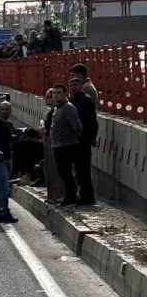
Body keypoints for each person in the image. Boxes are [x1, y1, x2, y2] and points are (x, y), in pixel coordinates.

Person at [48, 84, 84, 206]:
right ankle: (68, 197)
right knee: (63, 173)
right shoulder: (57, 108)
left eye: (58, 93)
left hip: (66, 145)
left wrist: (70, 137)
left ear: (64, 94)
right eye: (54, 93)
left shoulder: (68, 108)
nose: (56, 95)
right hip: (57, 145)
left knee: (67, 173)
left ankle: (70, 199)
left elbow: (77, 127)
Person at [68, 71, 98, 205]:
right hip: (74, 140)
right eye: (71, 84)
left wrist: (90, 138)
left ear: (81, 86)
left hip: (83, 140)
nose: (74, 86)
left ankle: (87, 197)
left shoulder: (85, 100)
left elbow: (91, 122)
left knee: (83, 170)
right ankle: (82, 195)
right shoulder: (72, 100)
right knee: (79, 170)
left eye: (76, 84)